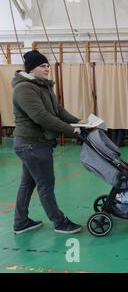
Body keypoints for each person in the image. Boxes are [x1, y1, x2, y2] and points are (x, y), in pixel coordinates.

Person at [12, 50, 83, 235]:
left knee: (28, 184)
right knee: (46, 184)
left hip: (36, 143)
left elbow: (57, 110)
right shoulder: (24, 89)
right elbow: (41, 116)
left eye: (47, 65)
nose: (47, 69)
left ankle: (21, 223)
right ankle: (59, 223)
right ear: (32, 68)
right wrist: (70, 130)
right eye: (43, 66)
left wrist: (79, 121)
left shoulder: (42, 85)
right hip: (32, 144)